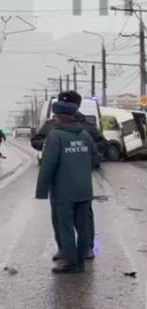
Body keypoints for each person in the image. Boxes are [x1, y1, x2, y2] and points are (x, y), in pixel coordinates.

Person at [35, 101, 95, 274]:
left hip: (64, 191)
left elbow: (48, 165)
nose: (53, 119)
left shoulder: (55, 136)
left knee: (65, 226)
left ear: (60, 118)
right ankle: (83, 258)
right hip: (84, 190)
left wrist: (41, 191)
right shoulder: (85, 135)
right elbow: (94, 158)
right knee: (83, 226)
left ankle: (71, 263)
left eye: (54, 116)